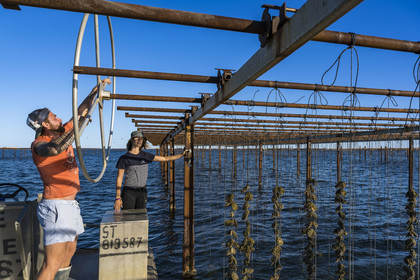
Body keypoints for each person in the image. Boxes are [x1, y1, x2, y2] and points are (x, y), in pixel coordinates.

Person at [27, 78, 111, 280]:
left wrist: (96, 90)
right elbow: (56, 148)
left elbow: (81, 109)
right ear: (45, 124)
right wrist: (79, 126)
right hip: (56, 206)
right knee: (52, 263)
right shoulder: (39, 143)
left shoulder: (64, 131)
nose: (59, 118)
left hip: (71, 204)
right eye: (54, 117)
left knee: (69, 252)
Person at [114, 130, 186, 211]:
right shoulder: (124, 158)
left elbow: (165, 158)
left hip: (142, 191)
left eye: (141, 139)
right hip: (128, 192)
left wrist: (181, 155)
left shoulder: (145, 156)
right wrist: (118, 198)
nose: (139, 140)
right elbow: (119, 178)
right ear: (131, 140)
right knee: (127, 217)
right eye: (137, 138)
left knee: (141, 216)